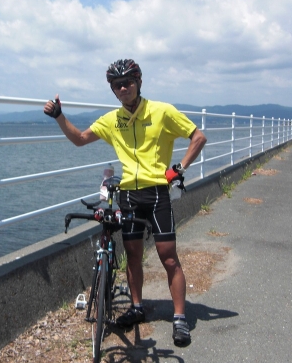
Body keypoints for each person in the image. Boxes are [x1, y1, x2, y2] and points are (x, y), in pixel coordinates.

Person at [43, 59, 207, 346]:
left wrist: (178, 169)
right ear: (113, 90)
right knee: (132, 257)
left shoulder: (162, 111)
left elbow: (198, 137)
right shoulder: (112, 119)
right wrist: (59, 116)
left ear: (139, 82)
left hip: (157, 193)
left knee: (168, 257)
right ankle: (137, 307)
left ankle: (180, 318)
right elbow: (80, 139)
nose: (123, 87)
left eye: (128, 82)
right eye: (117, 85)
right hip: (128, 195)